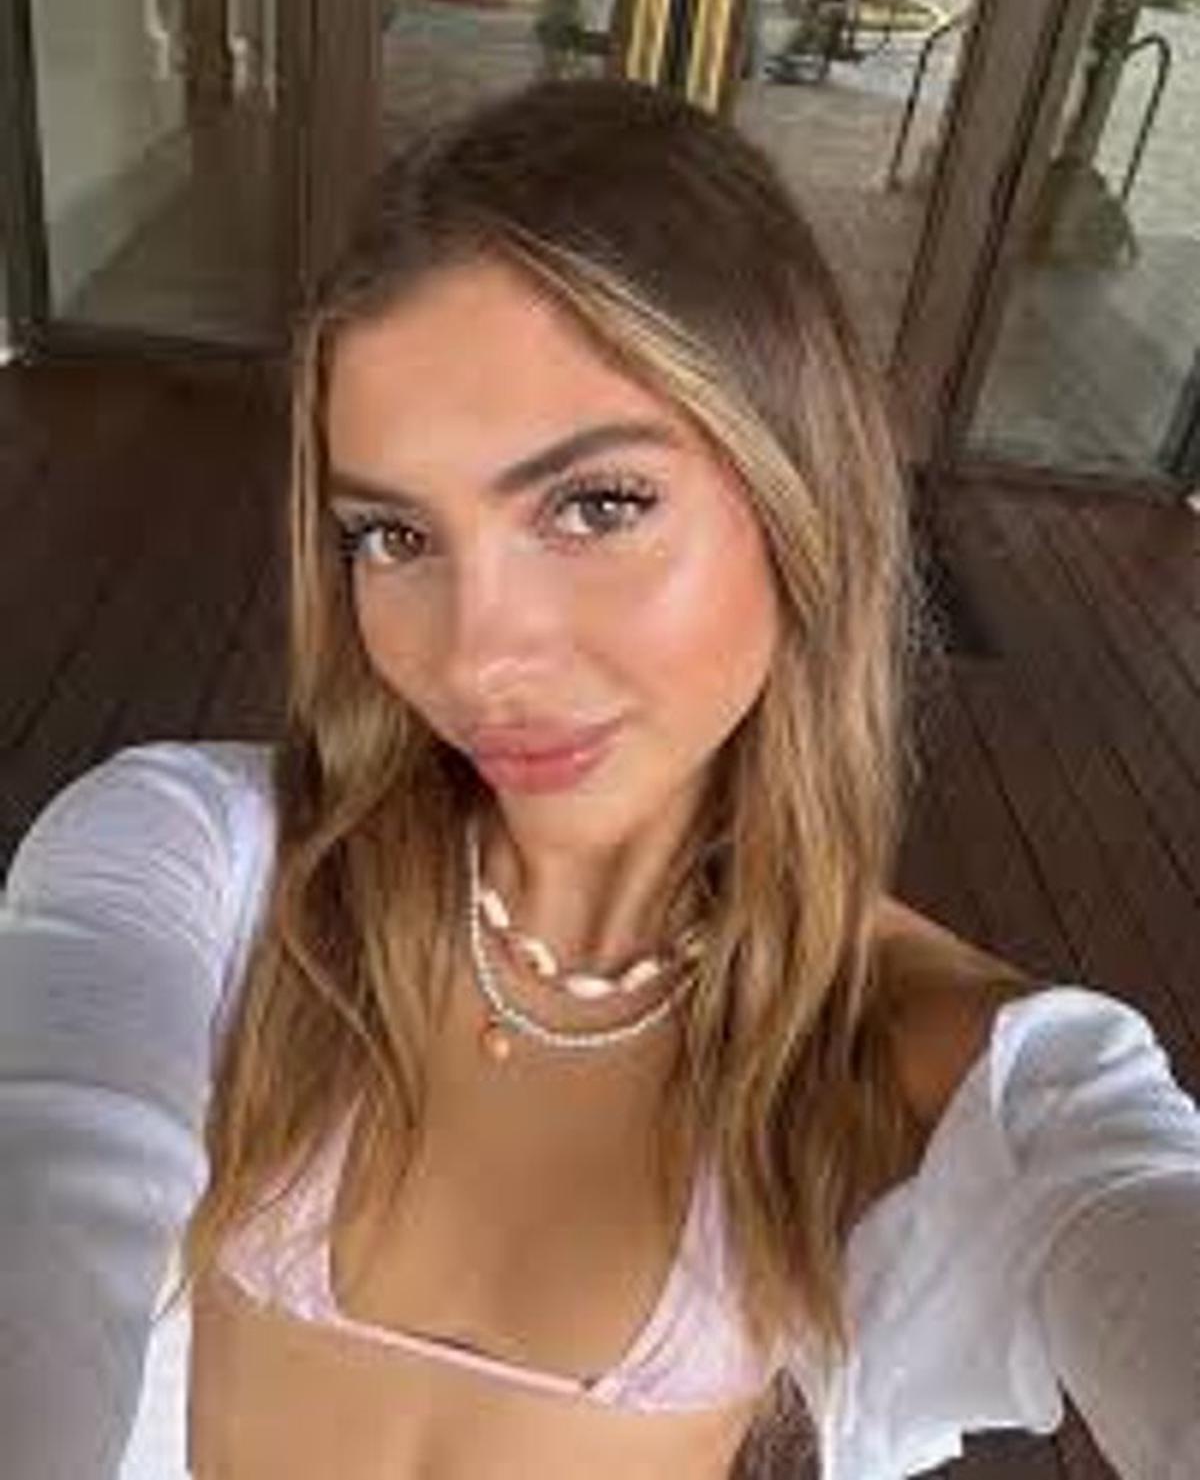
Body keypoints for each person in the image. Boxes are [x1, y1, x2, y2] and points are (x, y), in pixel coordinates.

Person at [1, 77, 1198, 1480]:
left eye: (595, 504)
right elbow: (45, 1171)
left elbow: (1129, 1221)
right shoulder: (201, 864)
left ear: (801, 496)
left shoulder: (941, 1070)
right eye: (393, 535)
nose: (478, 653)